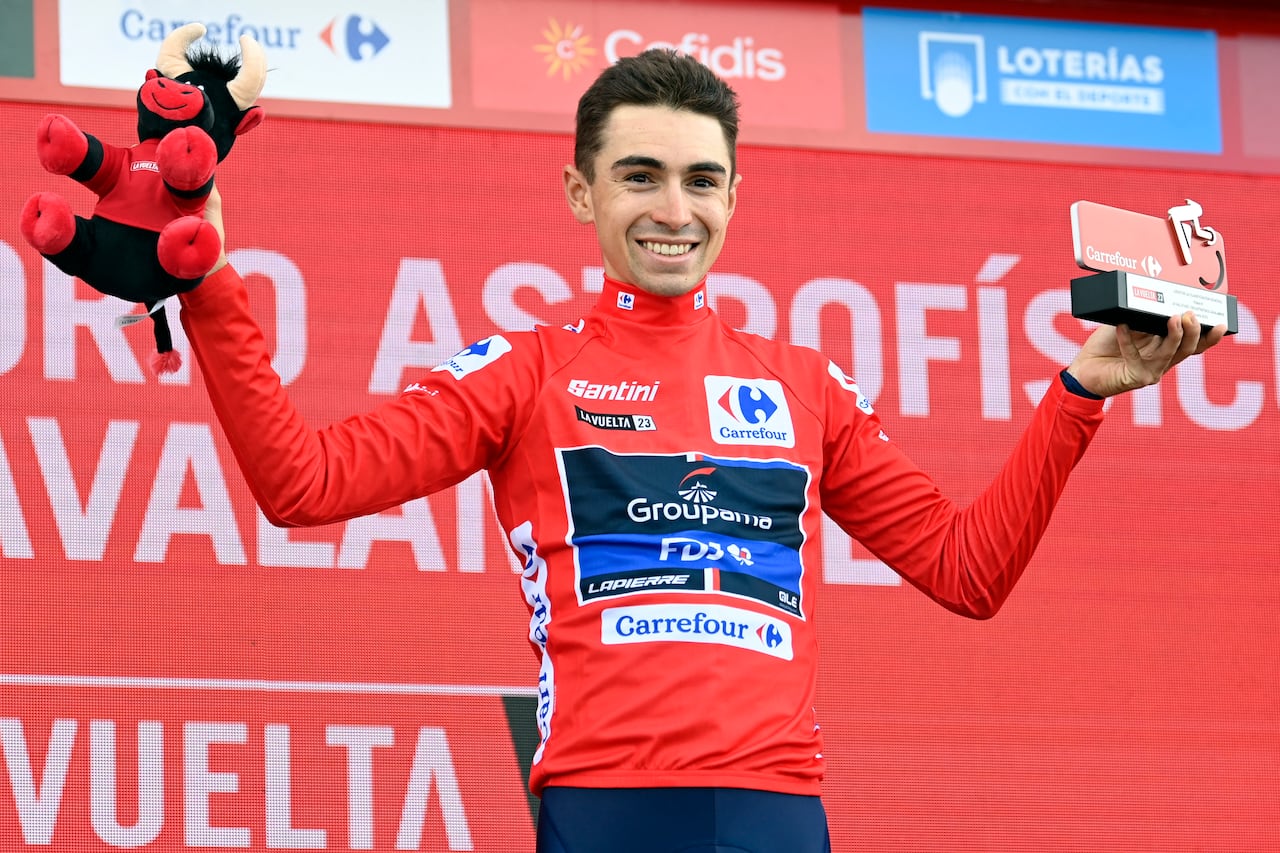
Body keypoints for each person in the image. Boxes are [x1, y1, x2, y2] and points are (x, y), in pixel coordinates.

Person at [182, 50, 1224, 853]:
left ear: (732, 197)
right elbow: (302, 482)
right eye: (639, 176)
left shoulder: (801, 383)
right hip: (606, 807)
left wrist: (1080, 392)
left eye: (699, 180)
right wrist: (209, 281)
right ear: (580, 193)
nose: (672, 210)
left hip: (779, 811)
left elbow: (967, 571)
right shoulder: (523, 370)